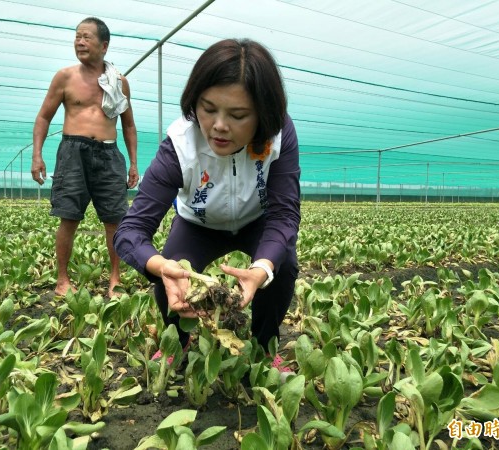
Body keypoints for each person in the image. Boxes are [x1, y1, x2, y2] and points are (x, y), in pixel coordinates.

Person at [114, 39, 300, 369]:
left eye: (238, 115)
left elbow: (284, 213)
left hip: (256, 220)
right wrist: (159, 266)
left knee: (280, 265)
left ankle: (264, 347)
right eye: (208, 108)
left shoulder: (278, 135)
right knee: (172, 267)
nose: (218, 126)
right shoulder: (179, 144)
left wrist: (261, 268)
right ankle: (177, 341)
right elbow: (130, 231)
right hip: (196, 225)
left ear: (263, 114)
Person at [31, 17, 138, 298]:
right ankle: (63, 279)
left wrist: (134, 162)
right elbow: (44, 116)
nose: (80, 42)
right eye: (77, 36)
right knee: (68, 217)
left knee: (115, 219)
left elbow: (128, 125)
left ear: (104, 45)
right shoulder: (65, 77)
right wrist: (37, 155)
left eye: (87, 37)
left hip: (108, 153)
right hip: (72, 152)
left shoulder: (119, 82)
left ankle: (115, 278)